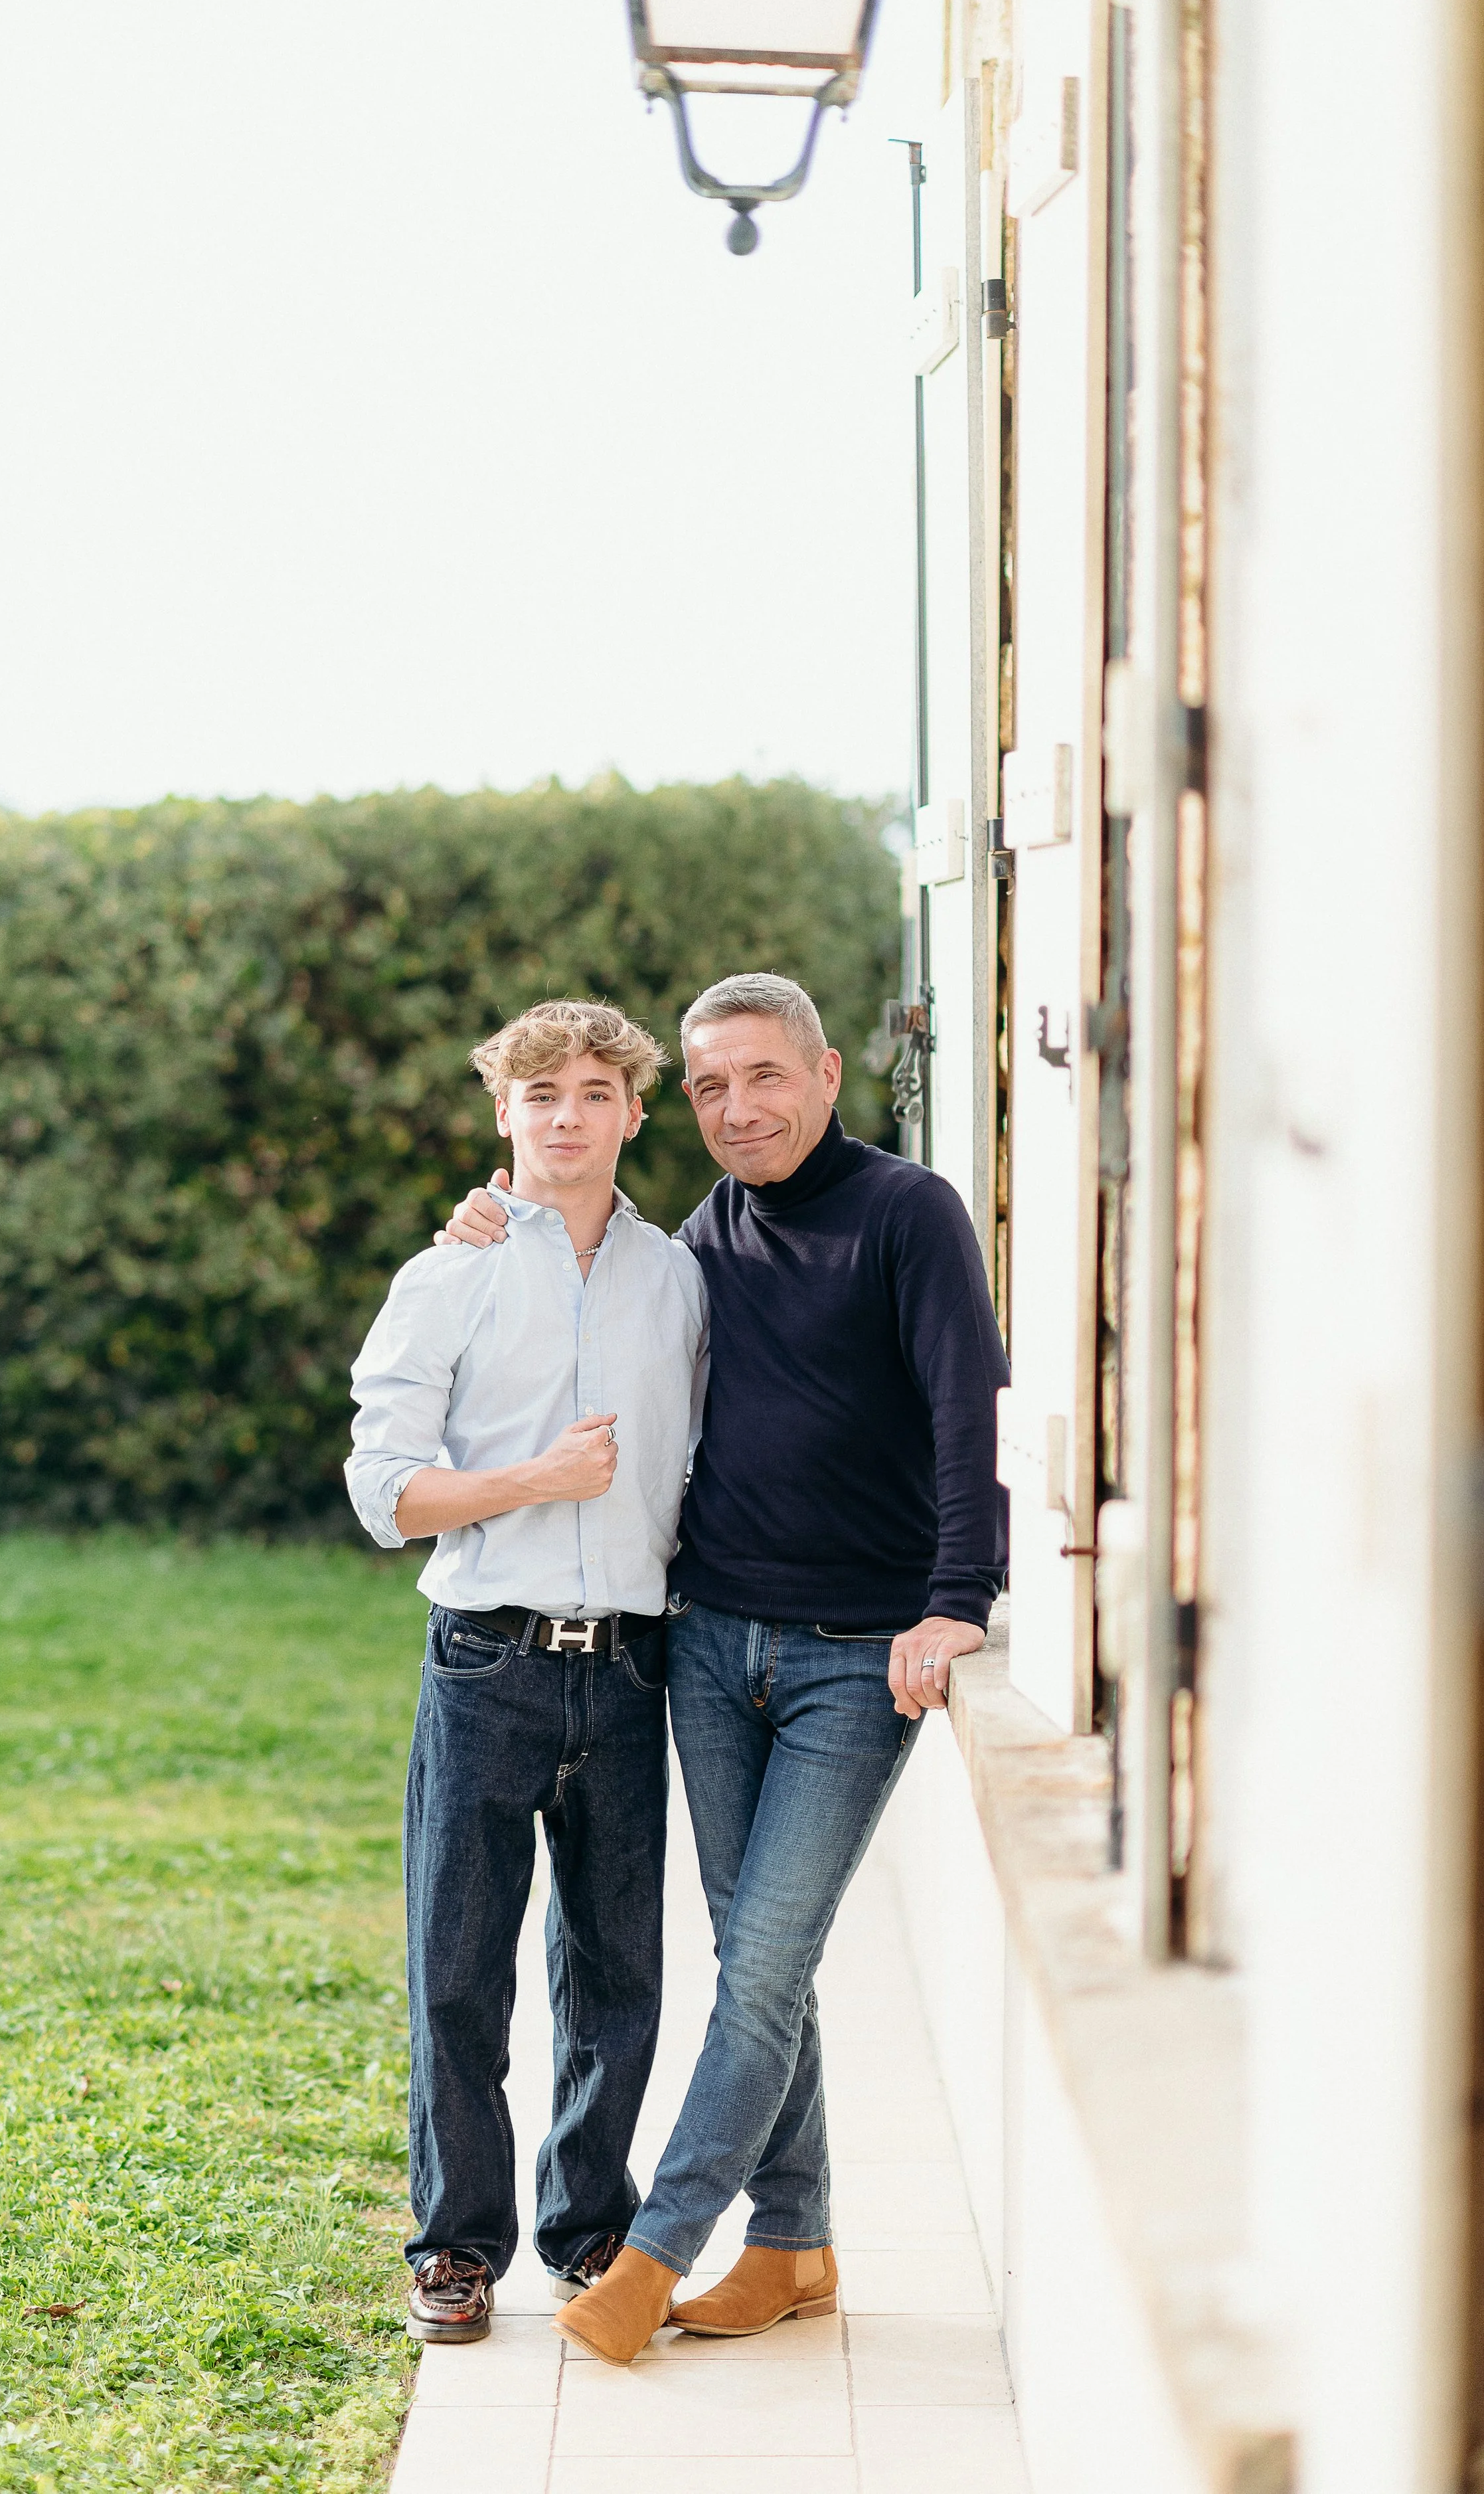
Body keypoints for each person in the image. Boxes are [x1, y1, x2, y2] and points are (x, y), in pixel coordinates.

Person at [440, 971, 1009, 2363]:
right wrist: (490, 1220)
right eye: (709, 1085)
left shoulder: (908, 1212)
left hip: (854, 1661)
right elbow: (583, 1295)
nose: (738, 1106)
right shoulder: (700, 1239)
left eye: (764, 1075)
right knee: (761, 1954)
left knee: (760, 1963)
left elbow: (967, 1411)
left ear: (826, 1073)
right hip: (705, 1643)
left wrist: (958, 1598)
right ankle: (793, 2241)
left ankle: (654, 2251)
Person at [346, 999, 706, 2347]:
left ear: (634, 1112)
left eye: (594, 1091)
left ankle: (590, 2226)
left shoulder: (679, 1278)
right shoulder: (447, 1277)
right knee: (458, 1968)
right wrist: (532, 1481)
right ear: (503, 1111)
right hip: (485, 1660)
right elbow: (385, 1493)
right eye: (540, 1092)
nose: (567, 1114)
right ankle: (456, 2242)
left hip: (629, 1670)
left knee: (617, 1974)